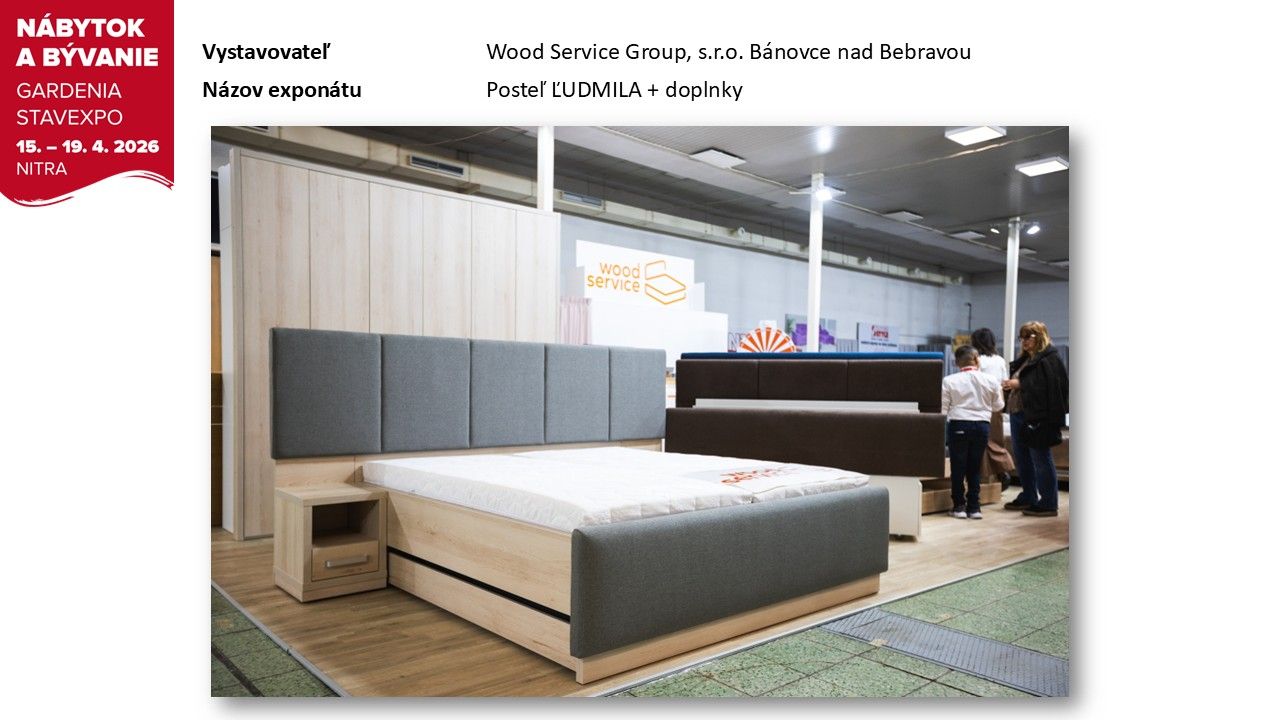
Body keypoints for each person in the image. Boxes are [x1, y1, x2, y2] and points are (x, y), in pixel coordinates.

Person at [1002, 321, 1070, 517]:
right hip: (1018, 413)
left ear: (1039, 337)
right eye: (1021, 337)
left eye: (1028, 337)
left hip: (1037, 416)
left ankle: (1048, 502)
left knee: (1040, 458)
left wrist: (1019, 384)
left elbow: (1051, 388)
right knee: (1023, 458)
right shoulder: (1027, 359)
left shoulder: (1050, 359)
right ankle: (1029, 495)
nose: (1023, 341)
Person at [941, 345, 1005, 520]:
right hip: (982, 426)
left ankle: (959, 507)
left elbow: (943, 409)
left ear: (956, 362)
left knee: (958, 467)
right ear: (977, 360)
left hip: (958, 425)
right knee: (975, 467)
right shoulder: (991, 380)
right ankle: (974, 508)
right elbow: (998, 406)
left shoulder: (949, 380)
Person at [971, 328, 1015, 488]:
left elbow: (972, 381)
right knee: (995, 438)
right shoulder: (1000, 360)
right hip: (997, 402)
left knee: (980, 439)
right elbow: (1005, 383)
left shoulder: (977, 361)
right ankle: (1001, 471)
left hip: (979, 402)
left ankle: (994, 472)